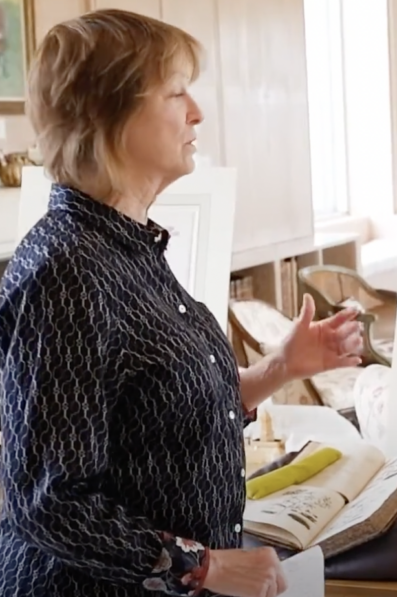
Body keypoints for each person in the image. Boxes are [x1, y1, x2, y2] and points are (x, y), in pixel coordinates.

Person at [0, 9, 363, 597]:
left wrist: (281, 368)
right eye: (175, 93)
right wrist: (208, 566)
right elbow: (50, 502)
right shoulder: (64, 272)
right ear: (106, 114)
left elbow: (157, 419)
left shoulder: (129, 244)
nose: (197, 111)